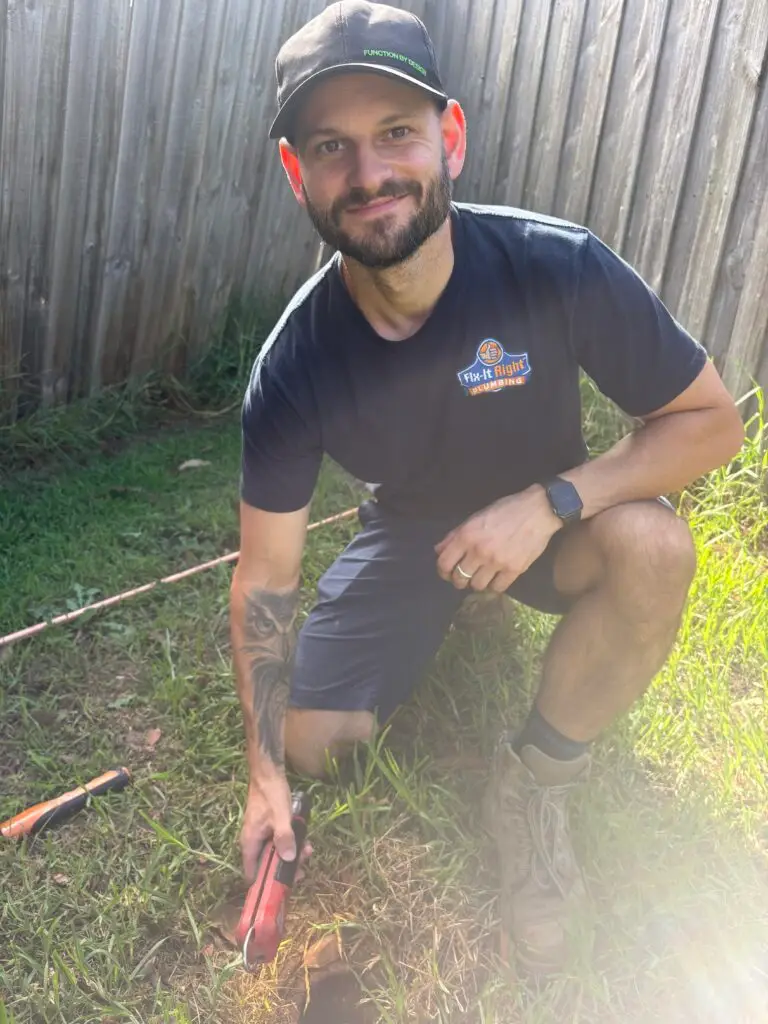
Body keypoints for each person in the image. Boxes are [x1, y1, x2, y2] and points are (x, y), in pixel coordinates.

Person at [230, 0, 744, 976]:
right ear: (298, 174)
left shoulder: (558, 265)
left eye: (396, 134)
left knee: (655, 547)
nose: (370, 173)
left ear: (449, 138)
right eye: (332, 147)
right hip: (409, 535)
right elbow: (263, 580)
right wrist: (260, 774)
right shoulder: (292, 364)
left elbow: (711, 422)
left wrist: (551, 500)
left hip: (551, 519)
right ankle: (449, 615)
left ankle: (538, 775)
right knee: (313, 742)